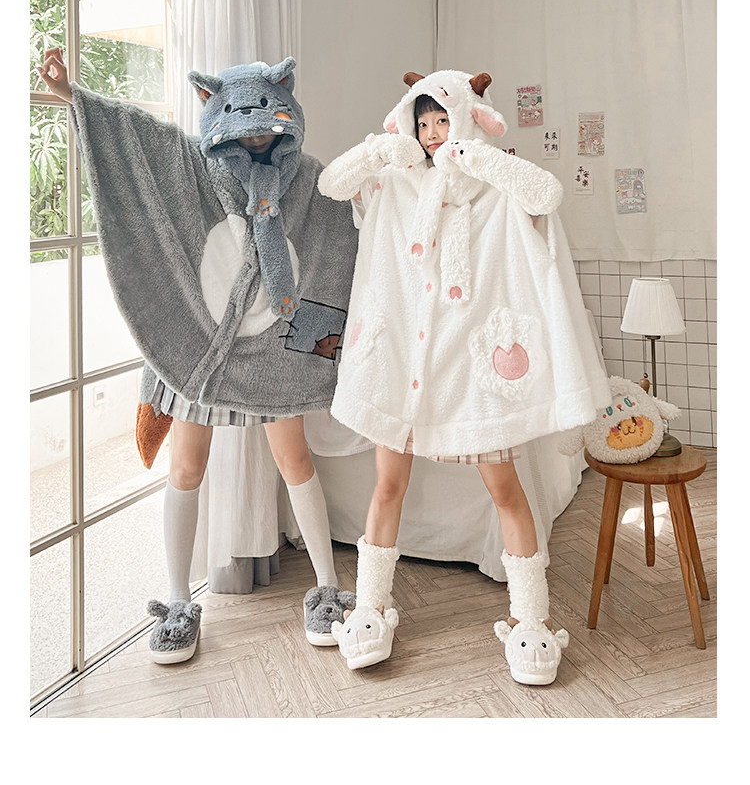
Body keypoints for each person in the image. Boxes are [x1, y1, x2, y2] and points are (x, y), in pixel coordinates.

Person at [38, 48, 361, 663]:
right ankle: (177, 600)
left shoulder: (305, 179)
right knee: (186, 467)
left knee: (295, 459)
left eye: (267, 122)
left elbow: (337, 232)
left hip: (273, 346)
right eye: (242, 124)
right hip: (204, 344)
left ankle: (327, 586)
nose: (256, 134)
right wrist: (73, 95)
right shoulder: (193, 166)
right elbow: (137, 140)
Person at [317, 67, 611, 685]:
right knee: (387, 486)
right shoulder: (396, 183)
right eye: (422, 122)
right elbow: (331, 183)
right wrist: (382, 149)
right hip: (405, 368)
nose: (431, 133)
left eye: (442, 120)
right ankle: (370, 606)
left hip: (471, 370)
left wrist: (477, 157)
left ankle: (530, 618)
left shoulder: (492, 184)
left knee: (506, 491)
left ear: (466, 119)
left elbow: (546, 195)